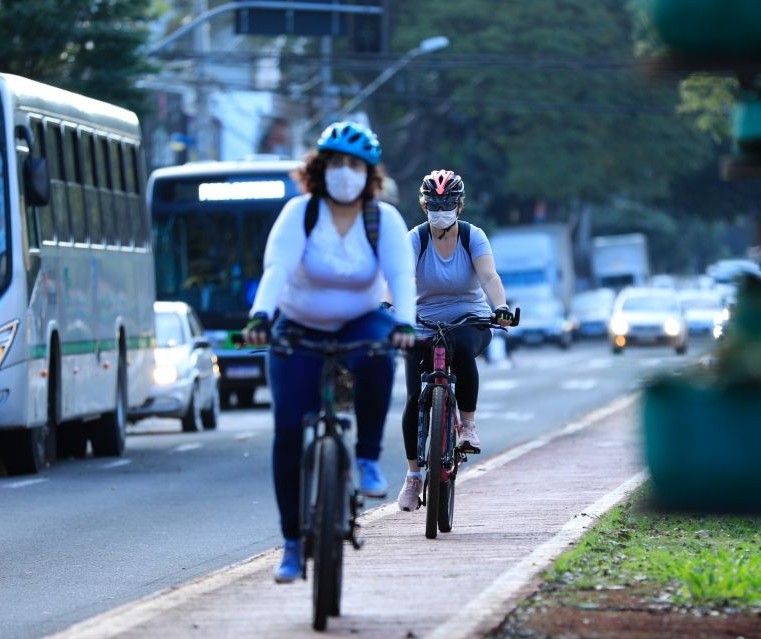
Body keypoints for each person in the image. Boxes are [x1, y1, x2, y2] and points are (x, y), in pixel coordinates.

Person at [242, 121, 417, 582]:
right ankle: (293, 545)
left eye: (354, 165)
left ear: (369, 173)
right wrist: (261, 317)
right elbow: (276, 268)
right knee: (286, 431)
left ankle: (367, 457)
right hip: (298, 324)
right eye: (336, 163)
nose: (345, 173)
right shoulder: (300, 214)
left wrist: (404, 324)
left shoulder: (383, 219)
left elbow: (401, 278)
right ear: (319, 169)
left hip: (361, 321)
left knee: (381, 353)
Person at [396, 169, 513, 512]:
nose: (440, 209)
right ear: (423, 205)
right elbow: (399, 278)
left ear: (459, 206)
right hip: (422, 321)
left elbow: (489, 275)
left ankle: (468, 426)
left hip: (468, 317)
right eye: (434, 203)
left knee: (461, 347)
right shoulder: (414, 239)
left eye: (447, 203)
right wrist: (389, 305)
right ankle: (414, 475)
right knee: (412, 397)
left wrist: (501, 307)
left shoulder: (472, 236)